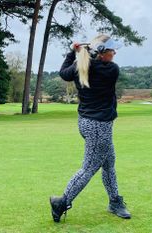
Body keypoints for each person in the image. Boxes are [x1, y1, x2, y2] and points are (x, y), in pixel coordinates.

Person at [49, 35, 131, 222]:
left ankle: (114, 201)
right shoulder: (111, 69)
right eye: (111, 50)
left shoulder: (82, 66)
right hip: (99, 127)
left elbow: (63, 73)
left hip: (87, 123)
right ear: (101, 53)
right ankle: (61, 202)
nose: (115, 52)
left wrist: (73, 51)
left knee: (109, 163)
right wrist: (81, 52)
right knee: (89, 168)